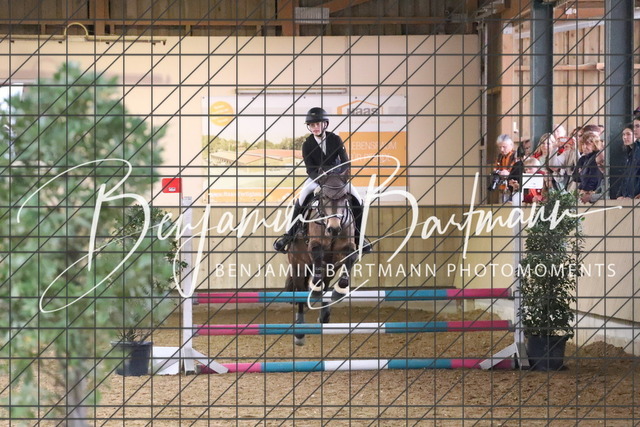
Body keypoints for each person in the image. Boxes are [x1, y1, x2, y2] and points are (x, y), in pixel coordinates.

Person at [273, 107, 371, 254]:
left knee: (358, 200)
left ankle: (359, 237)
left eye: (318, 124)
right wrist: (321, 181)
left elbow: (346, 162)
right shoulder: (307, 144)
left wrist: (339, 177)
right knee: (301, 199)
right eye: (312, 125)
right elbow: (310, 169)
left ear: (325, 124)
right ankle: (289, 235)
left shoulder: (335, 139)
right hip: (317, 179)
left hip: (337, 178)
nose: (315, 127)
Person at [573, 131, 603, 202]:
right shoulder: (583, 159)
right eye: (583, 144)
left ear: (595, 144)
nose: (584, 147)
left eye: (587, 144)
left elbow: (594, 177)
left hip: (592, 193)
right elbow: (575, 177)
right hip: (583, 191)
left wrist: (586, 190)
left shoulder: (597, 157)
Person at [491, 134, 517, 202]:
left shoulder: (516, 156)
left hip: (514, 188)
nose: (502, 149)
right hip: (503, 187)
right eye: (500, 147)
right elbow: (496, 168)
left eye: (504, 147)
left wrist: (508, 173)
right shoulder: (500, 157)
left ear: (511, 145)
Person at [617, 123, 640, 199]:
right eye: (623, 134)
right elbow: (626, 177)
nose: (625, 137)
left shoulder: (637, 152)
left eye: (628, 134)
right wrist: (620, 195)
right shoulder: (630, 154)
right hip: (628, 197)